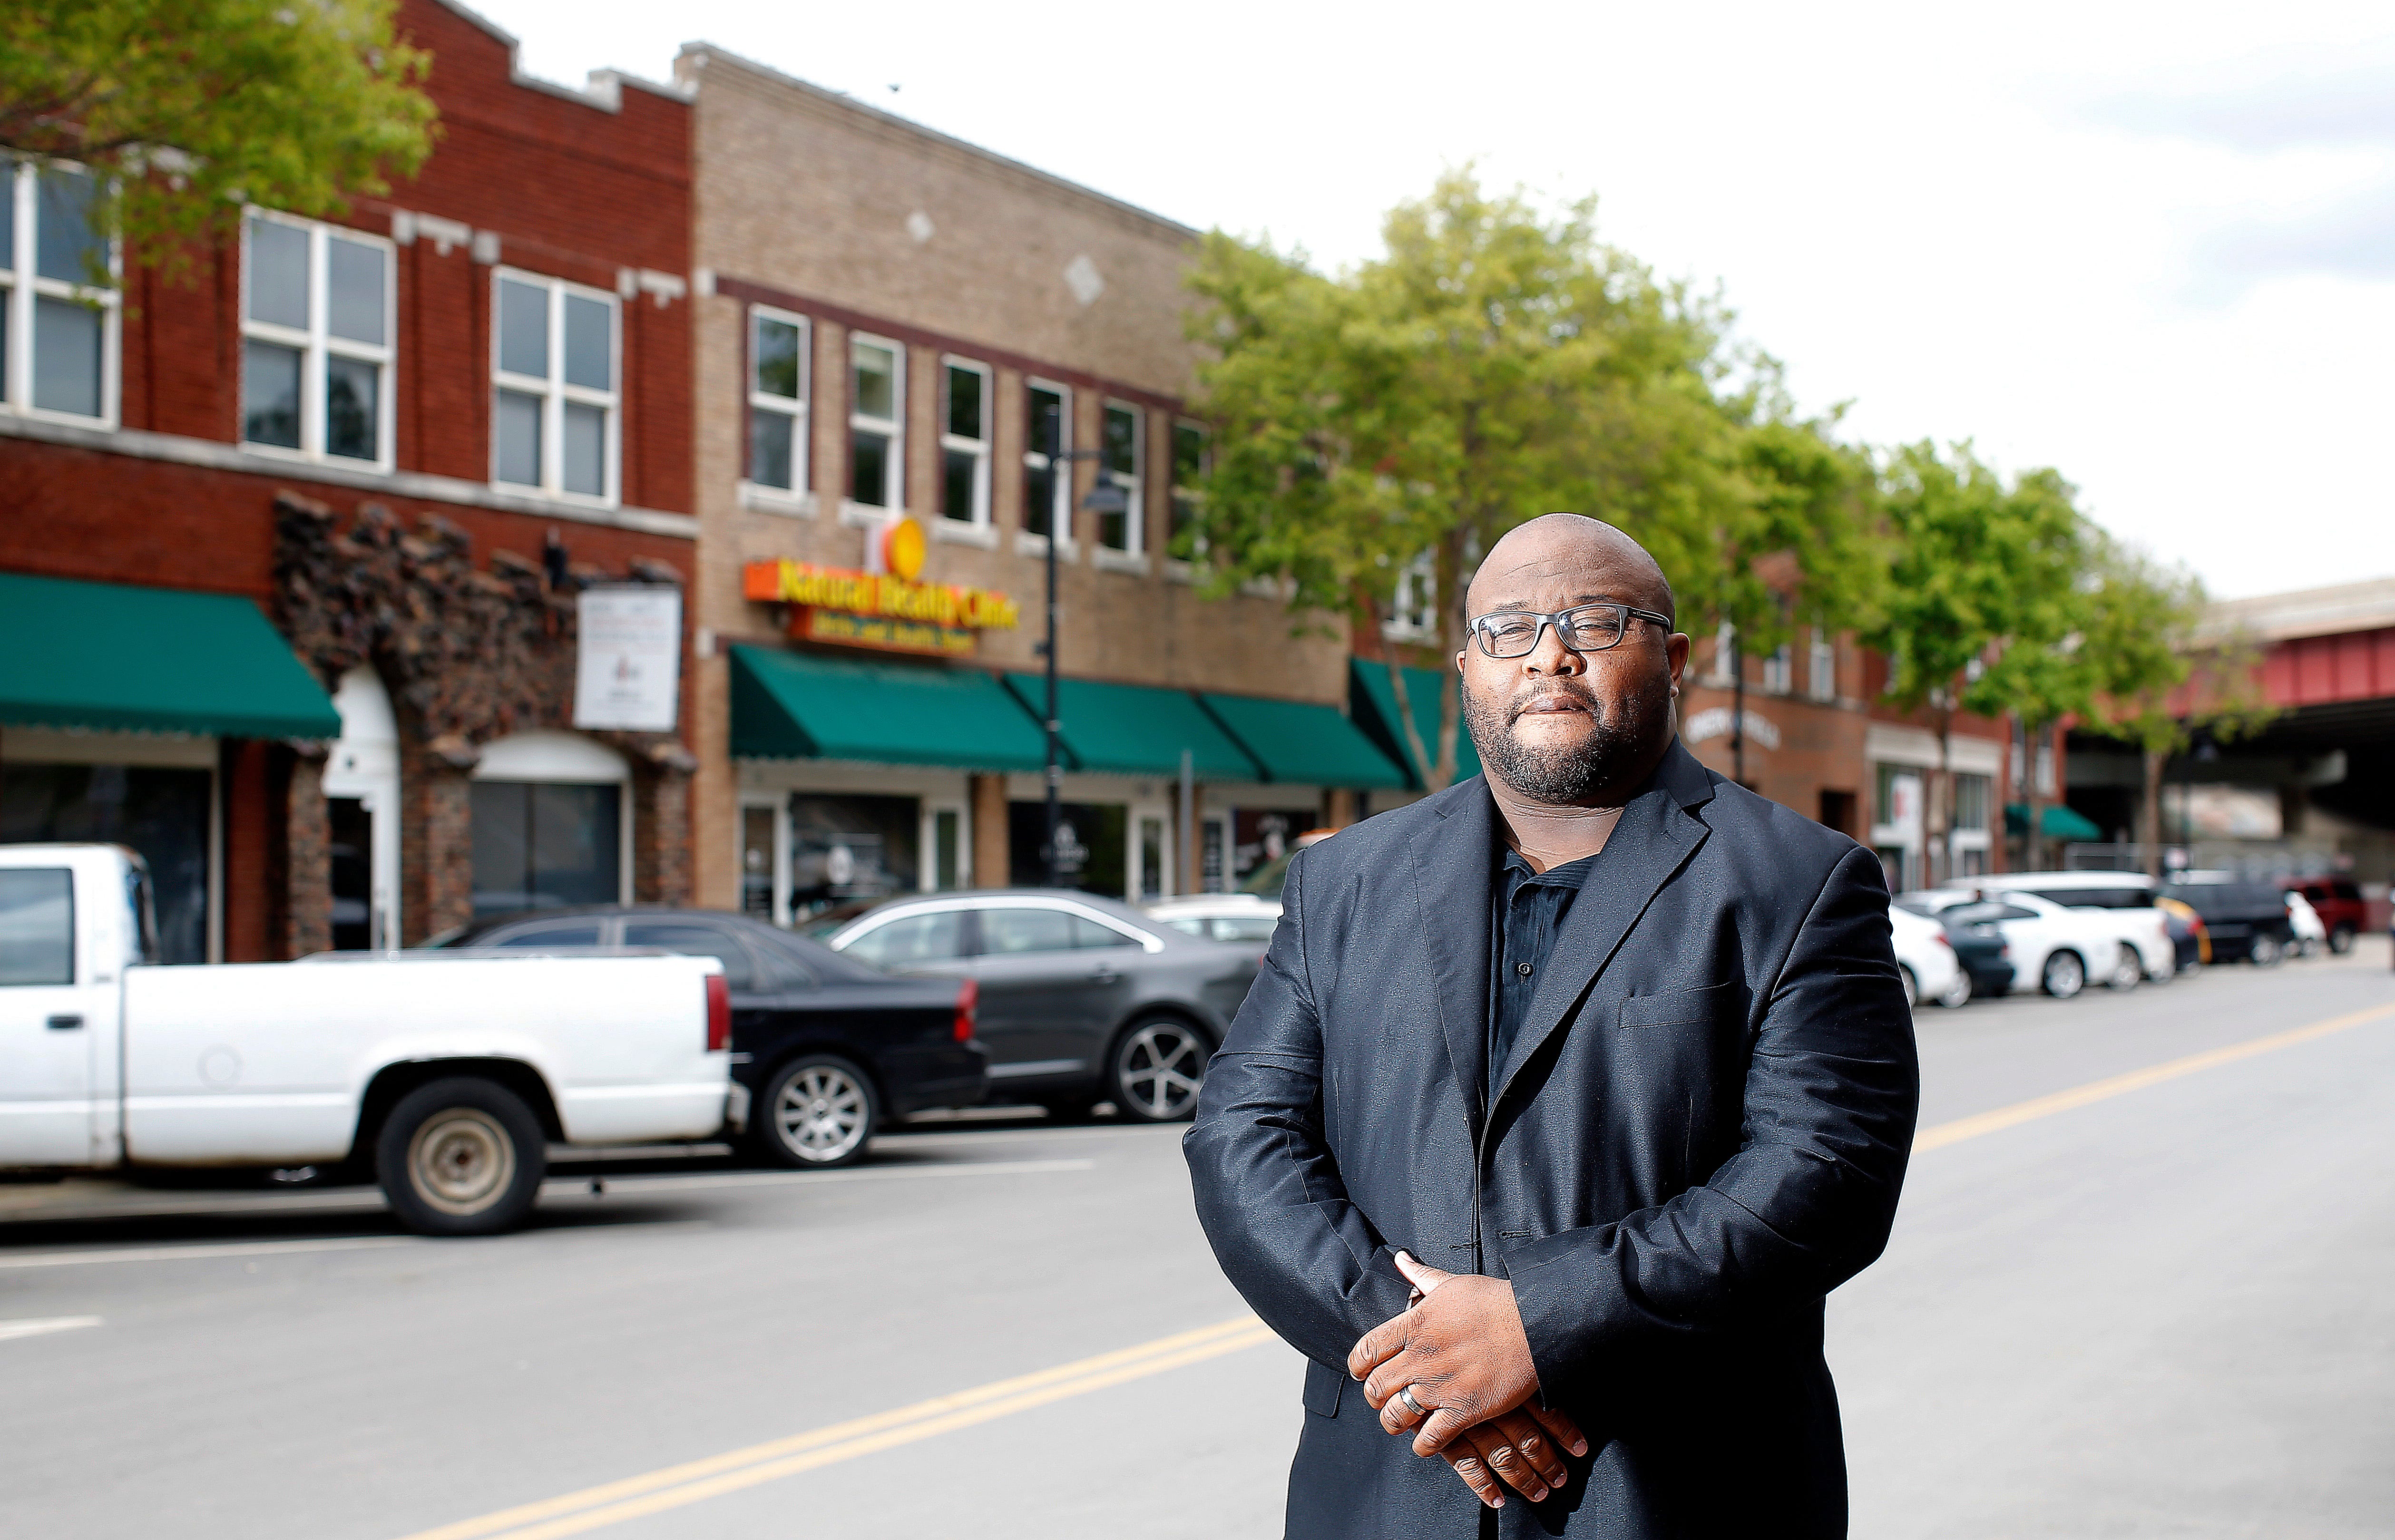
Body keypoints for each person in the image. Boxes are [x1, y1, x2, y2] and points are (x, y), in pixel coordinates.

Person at [1184, 514, 1919, 1537]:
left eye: (1595, 620)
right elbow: (1242, 1137)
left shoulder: (1797, 881)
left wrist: (1538, 1321)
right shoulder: (1342, 879)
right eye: (1510, 626)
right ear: (1466, 665)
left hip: (1675, 1487)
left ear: (1674, 659)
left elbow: (1826, 1172)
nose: (1548, 652)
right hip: (1392, 1484)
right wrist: (1419, 1346)